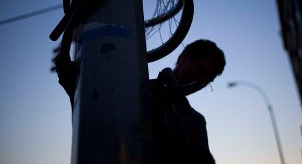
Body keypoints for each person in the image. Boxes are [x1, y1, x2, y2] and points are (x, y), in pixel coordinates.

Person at [53, 39, 225, 164]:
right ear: (185, 56)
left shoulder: (194, 120)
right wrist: (75, 89)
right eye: (200, 70)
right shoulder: (135, 88)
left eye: (205, 81)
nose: (198, 80)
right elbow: (96, 127)